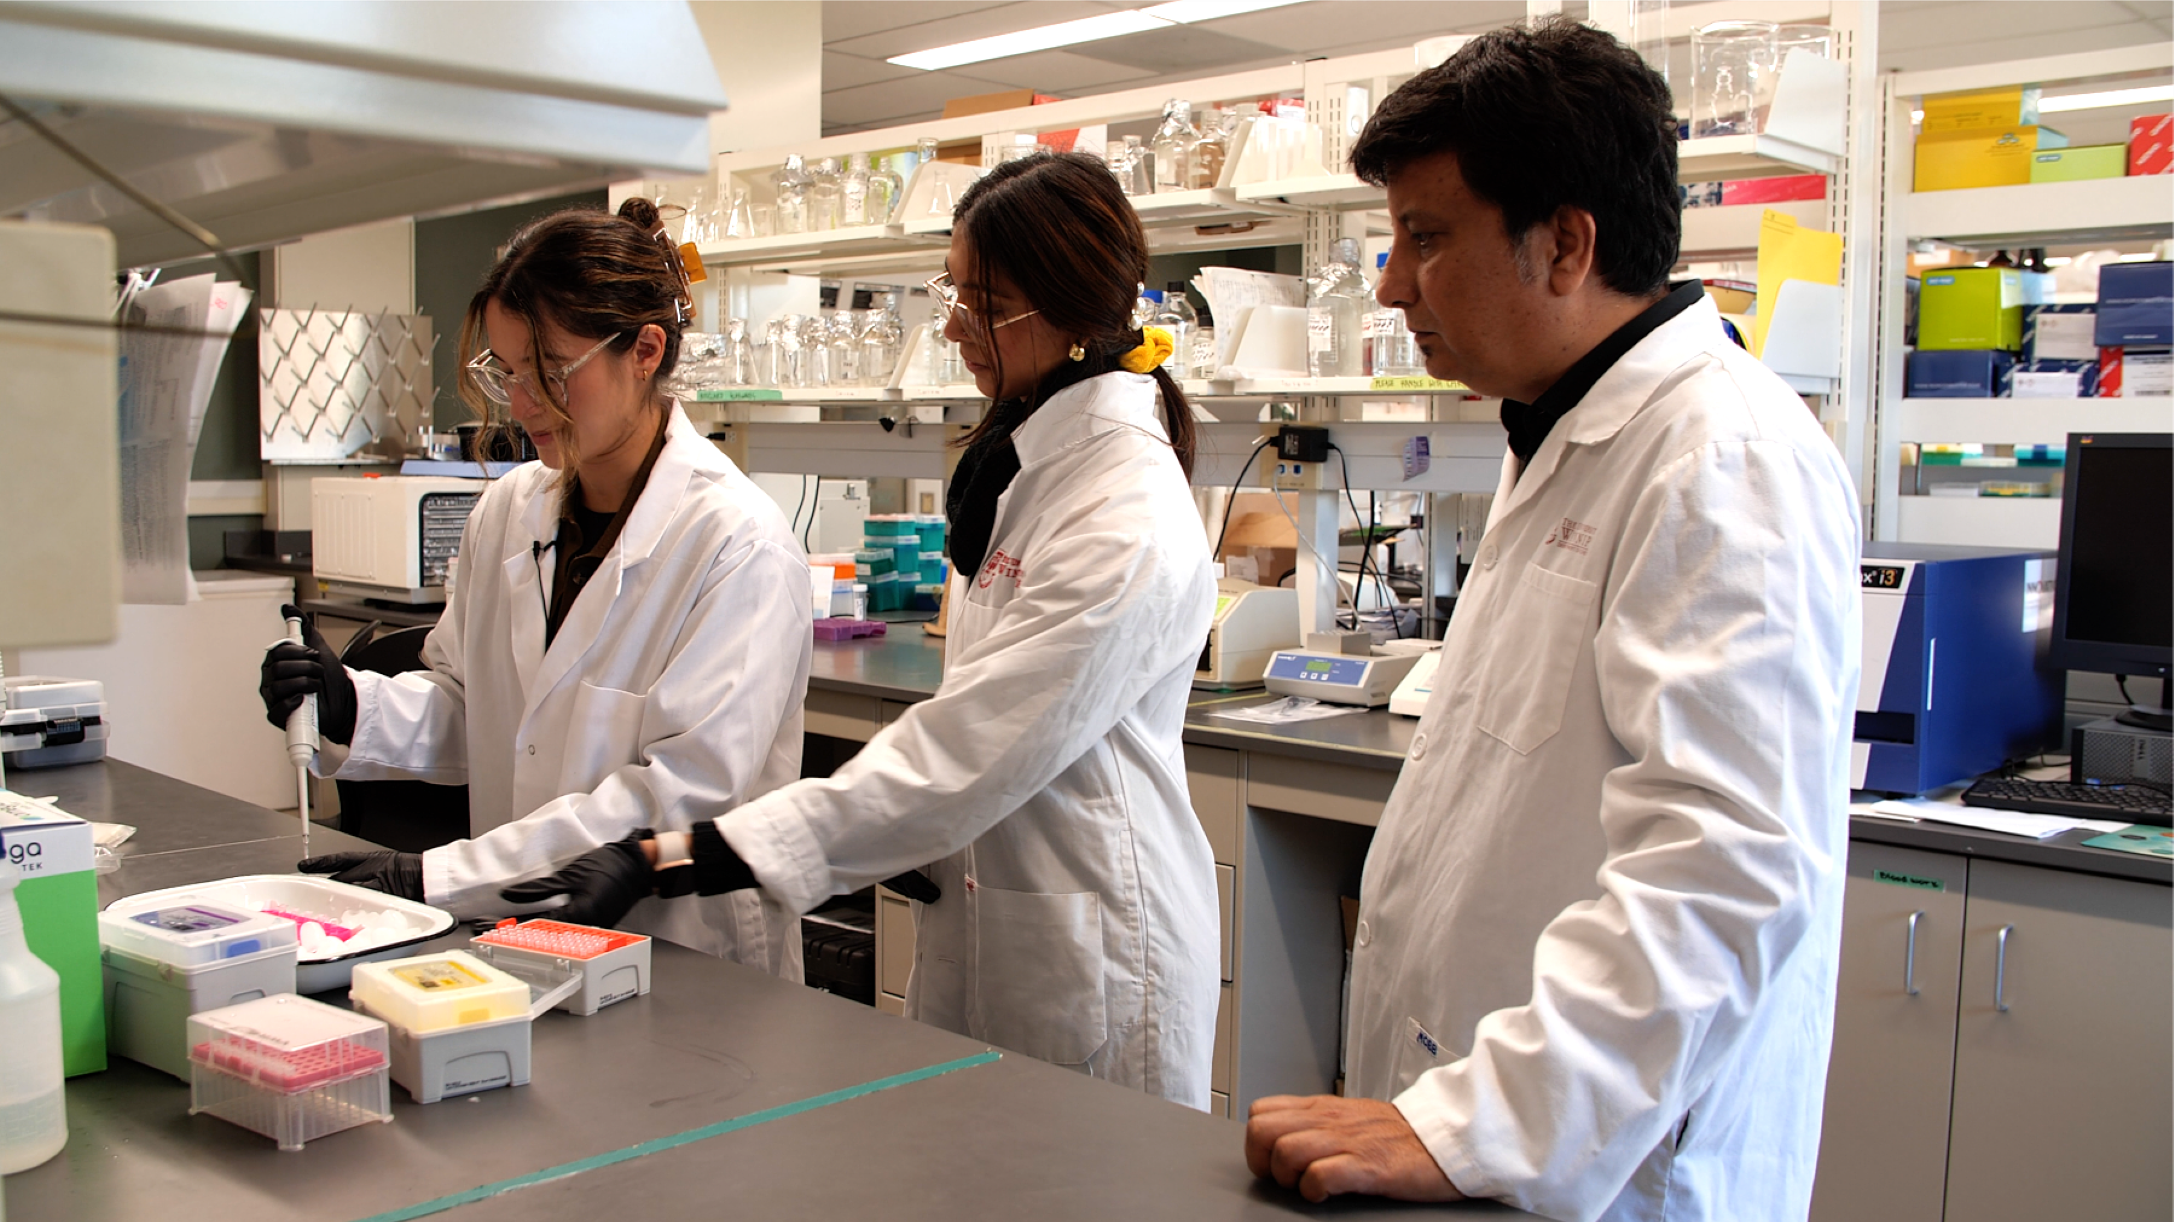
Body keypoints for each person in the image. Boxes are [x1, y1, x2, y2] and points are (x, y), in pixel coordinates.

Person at [1243, 19, 1860, 1222]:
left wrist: (1489, 1121)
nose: (1388, 283)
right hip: (1489, 1127)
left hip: (1611, 1161)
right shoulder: (1565, 428)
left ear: (1565, 244)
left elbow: (1722, 864)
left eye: (1424, 237)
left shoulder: (1719, 455)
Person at [509, 153, 1223, 1108]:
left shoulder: (1123, 508)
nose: (959, 329)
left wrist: (675, 854)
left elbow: (963, 753)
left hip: (1092, 940)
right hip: (997, 916)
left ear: (1073, 312)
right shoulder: (1034, 459)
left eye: (988, 304)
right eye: (955, 295)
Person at [259, 198, 812, 976]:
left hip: (684, 951)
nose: (522, 405)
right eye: (507, 372)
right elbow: (477, 709)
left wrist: (439, 875)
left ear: (645, 350)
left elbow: (680, 793)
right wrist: (355, 703)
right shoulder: (508, 511)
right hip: (524, 932)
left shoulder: (736, 545)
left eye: (550, 372)